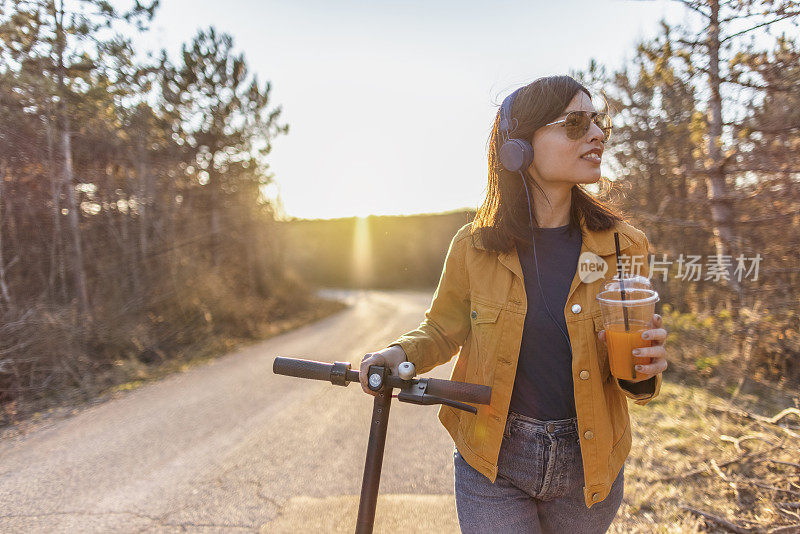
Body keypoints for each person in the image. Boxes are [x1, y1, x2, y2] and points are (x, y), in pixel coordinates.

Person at [359, 75, 669, 533]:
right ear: (518, 148)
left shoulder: (626, 247)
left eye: (597, 121)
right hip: (493, 458)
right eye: (575, 122)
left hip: (590, 463)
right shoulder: (473, 246)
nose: (598, 133)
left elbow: (633, 372)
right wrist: (395, 355)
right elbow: (442, 331)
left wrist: (644, 373)